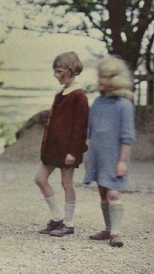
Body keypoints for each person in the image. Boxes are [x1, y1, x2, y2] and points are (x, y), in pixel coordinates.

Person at [34, 52, 89, 237]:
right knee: (40, 179)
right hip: (53, 147)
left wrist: (73, 152)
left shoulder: (79, 95)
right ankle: (57, 217)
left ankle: (69, 223)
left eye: (59, 72)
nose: (56, 76)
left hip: (68, 150)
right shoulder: (61, 92)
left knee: (67, 183)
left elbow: (80, 128)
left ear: (70, 70)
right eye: (55, 71)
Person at [84, 56, 135, 247]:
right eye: (99, 76)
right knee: (103, 192)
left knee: (114, 194)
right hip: (99, 156)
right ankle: (107, 228)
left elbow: (127, 136)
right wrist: (88, 154)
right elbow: (92, 132)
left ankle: (116, 233)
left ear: (115, 79)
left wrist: (122, 161)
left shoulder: (124, 104)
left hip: (115, 158)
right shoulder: (97, 102)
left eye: (104, 77)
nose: (99, 81)